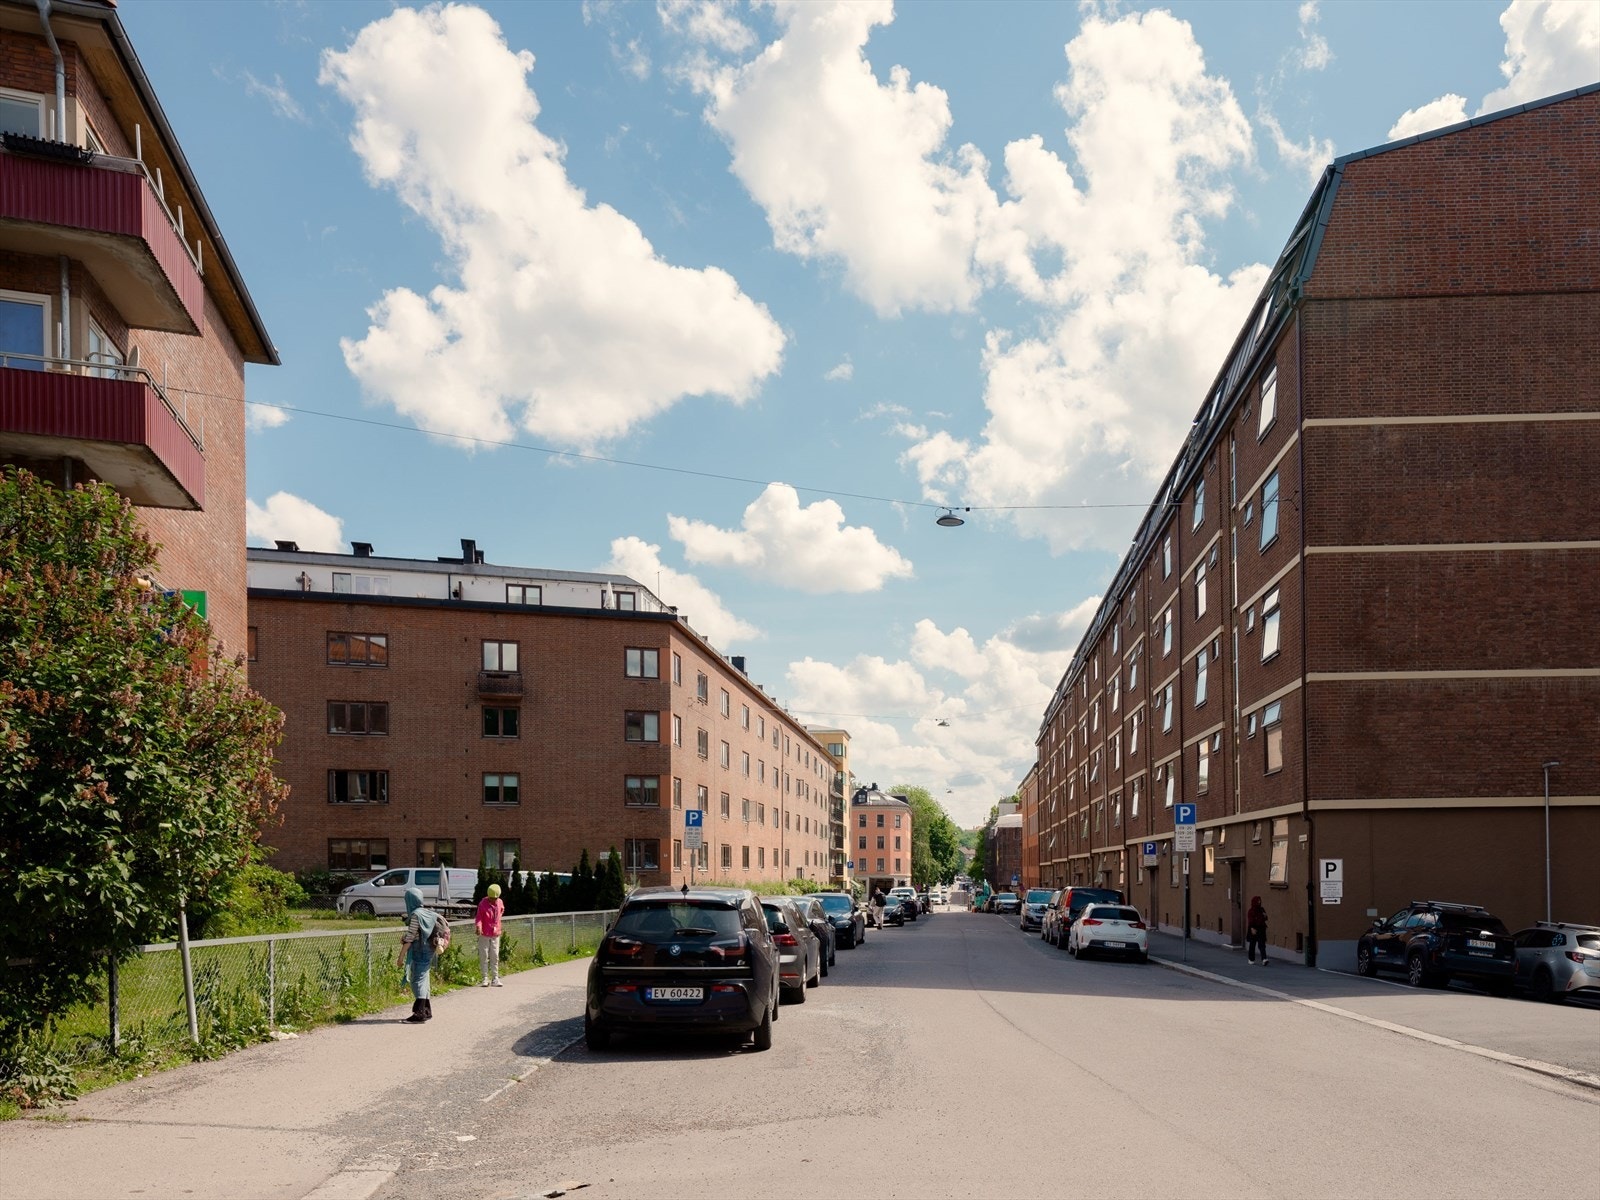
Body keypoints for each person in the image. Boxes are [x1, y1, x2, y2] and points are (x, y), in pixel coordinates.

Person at [398, 887, 441, 1022]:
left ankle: (419, 1013)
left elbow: (410, 938)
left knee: (417, 981)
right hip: (429, 949)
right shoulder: (429, 913)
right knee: (424, 978)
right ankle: (427, 1011)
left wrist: (400, 957)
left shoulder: (416, 915)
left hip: (419, 950)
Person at [476, 883, 505, 987]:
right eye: (491, 898)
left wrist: (497, 922)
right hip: (484, 933)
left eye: (495, 898)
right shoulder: (482, 904)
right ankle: (484, 978)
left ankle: (495, 978)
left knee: (495, 956)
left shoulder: (500, 902)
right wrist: (478, 926)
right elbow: (478, 917)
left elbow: (502, 910)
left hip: (495, 934)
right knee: (484, 956)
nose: (493, 900)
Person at [1246, 895, 1269, 966]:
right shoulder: (1251, 911)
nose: (1259, 902)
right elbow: (1250, 920)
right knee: (1252, 945)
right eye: (1258, 901)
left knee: (1262, 944)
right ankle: (1251, 959)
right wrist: (1252, 928)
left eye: (1260, 901)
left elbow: (1265, 918)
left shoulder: (1261, 909)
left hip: (1261, 928)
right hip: (1254, 928)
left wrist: (1265, 916)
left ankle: (1264, 959)